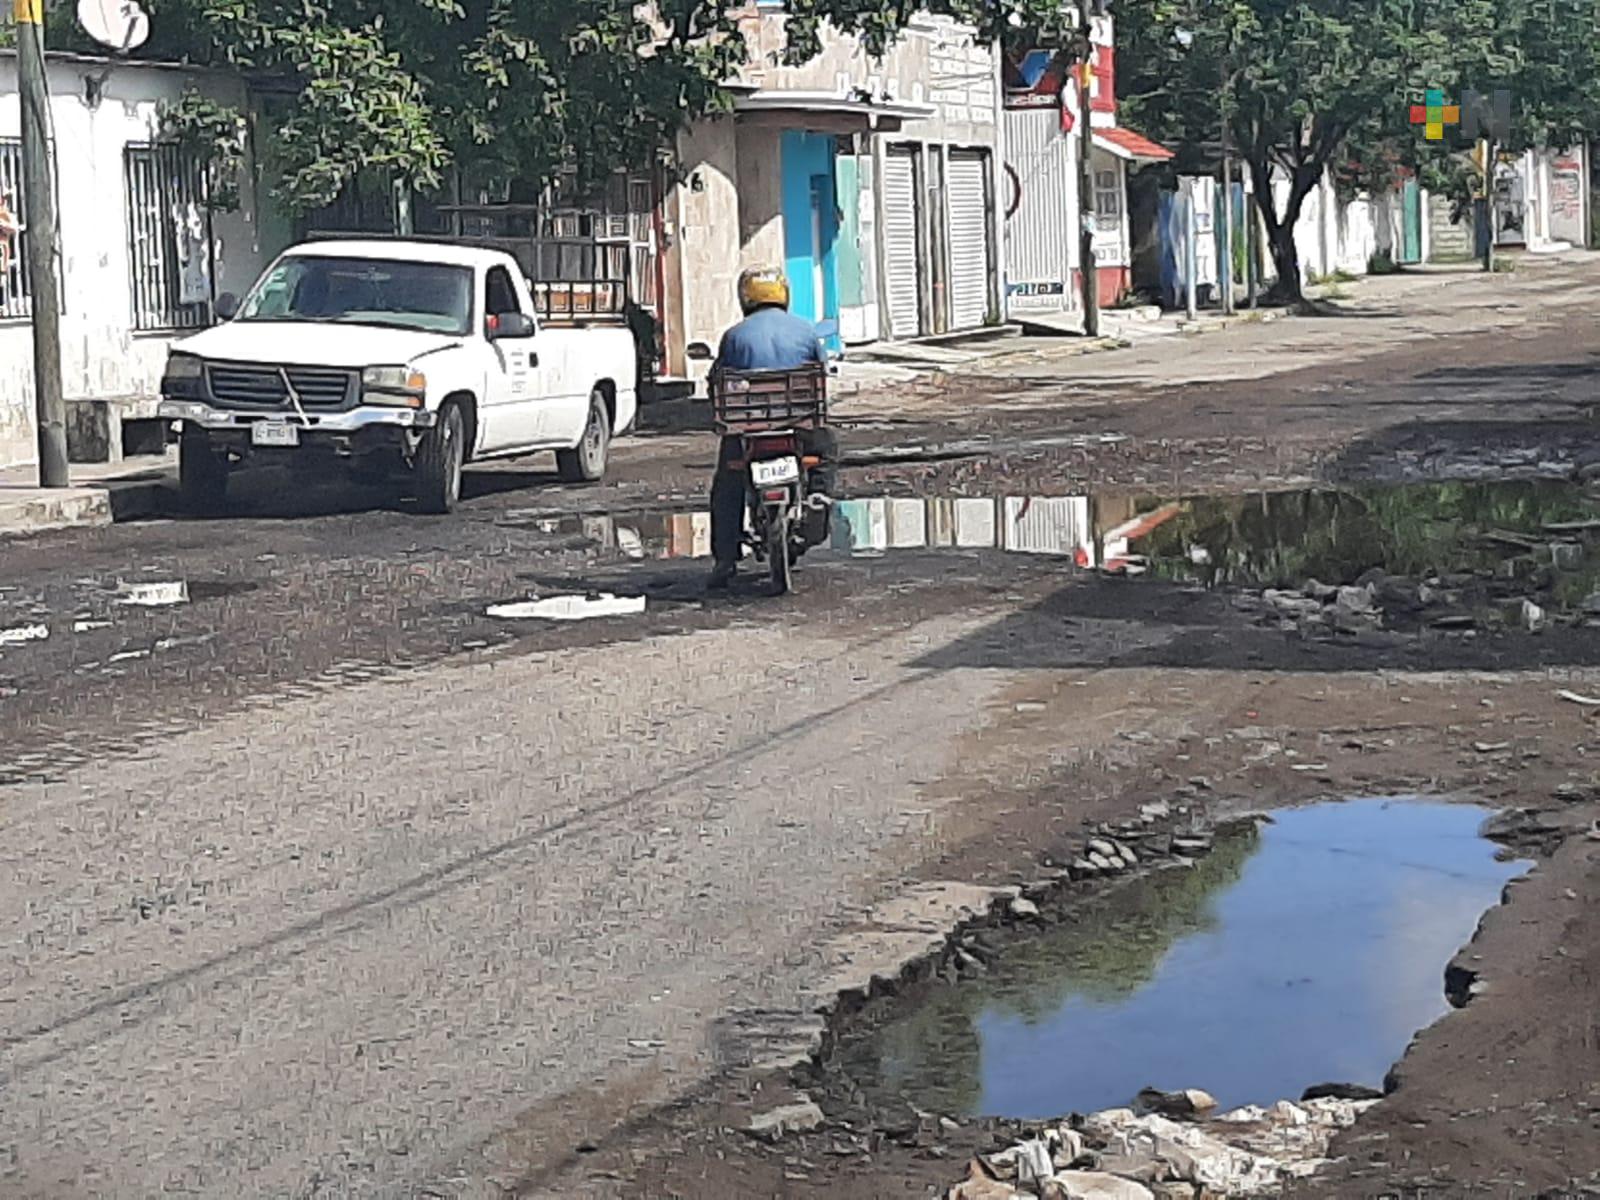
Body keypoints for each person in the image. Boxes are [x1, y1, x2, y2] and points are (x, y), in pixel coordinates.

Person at [707, 267, 838, 589]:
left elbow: (719, 380)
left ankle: (725, 559)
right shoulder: (806, 331)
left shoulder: (734, 336)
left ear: (745, 297)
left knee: (727, 485)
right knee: (826, 451)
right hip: (799, 424)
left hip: (748, 425)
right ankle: (818, 494)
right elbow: (820, 371)